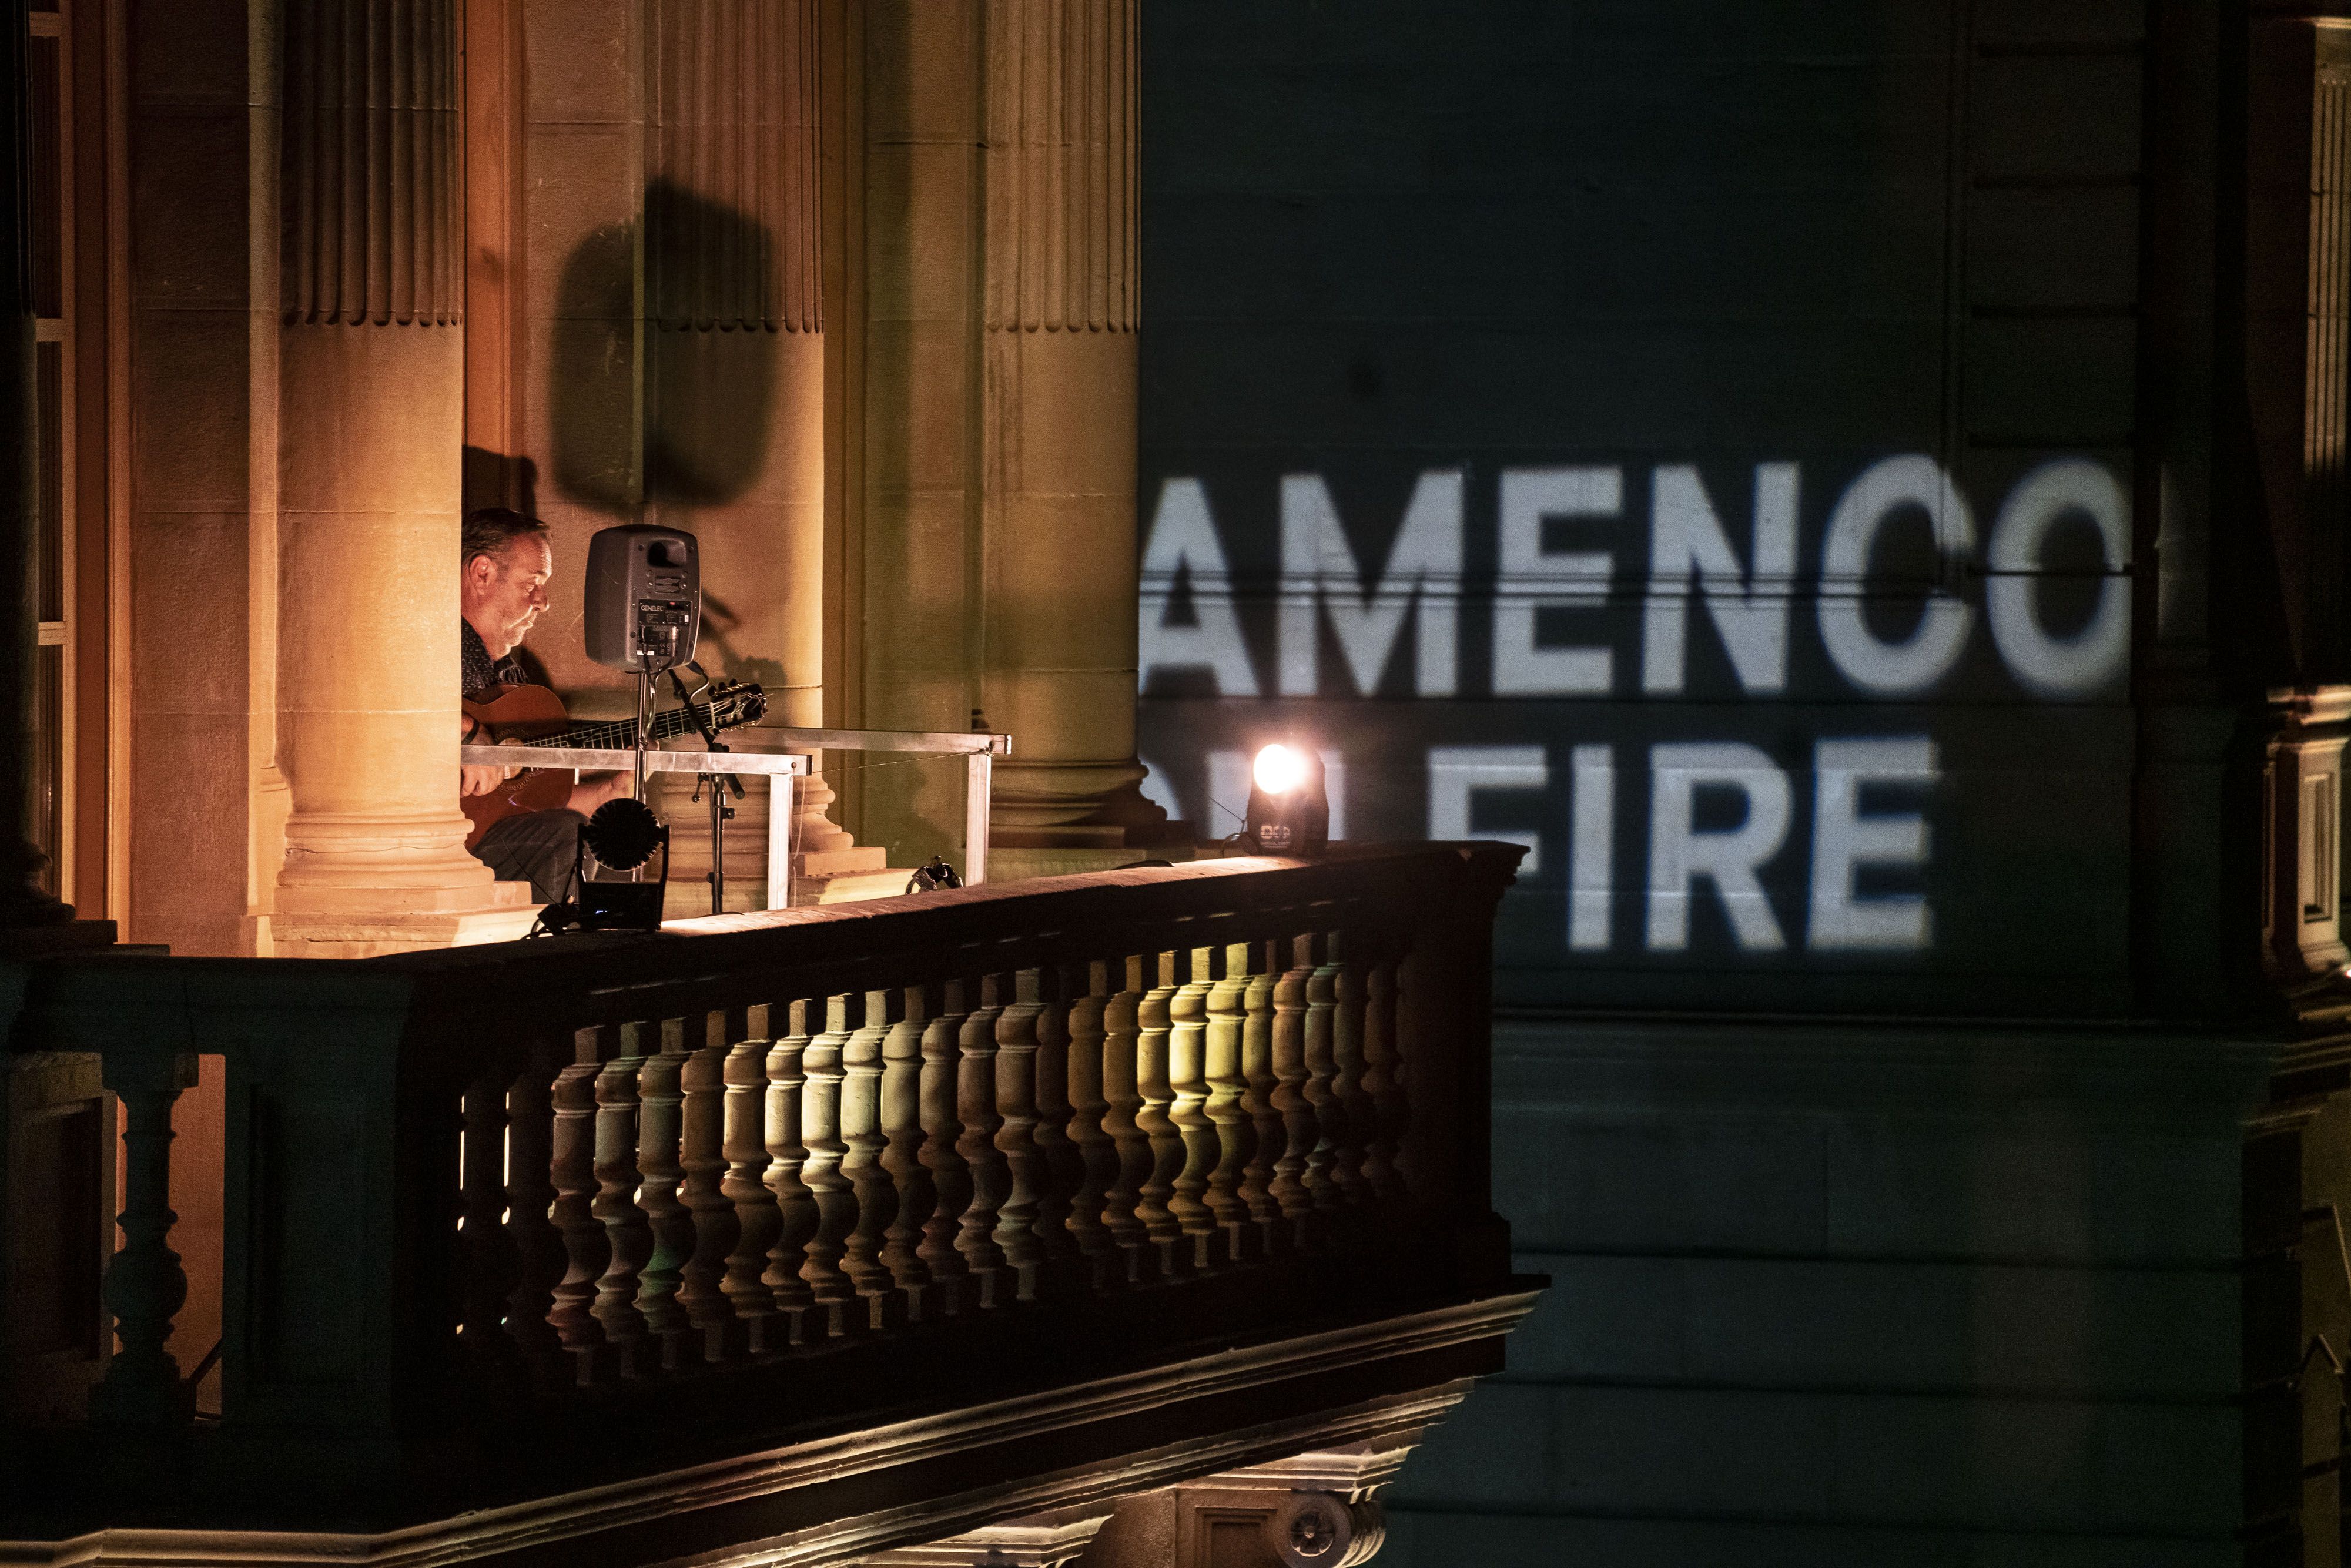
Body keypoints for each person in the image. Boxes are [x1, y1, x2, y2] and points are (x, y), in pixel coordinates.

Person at [461, 508, 630, 900]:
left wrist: (609, 789)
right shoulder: (436, 638)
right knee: (564, 835)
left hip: (480, 837)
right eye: (532, 583)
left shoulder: (511, 675)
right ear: (482, 573)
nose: (543, 601)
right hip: (424, 848)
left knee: (578, 832)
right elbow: (397, 713)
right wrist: (470, 731)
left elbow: (526, 801)